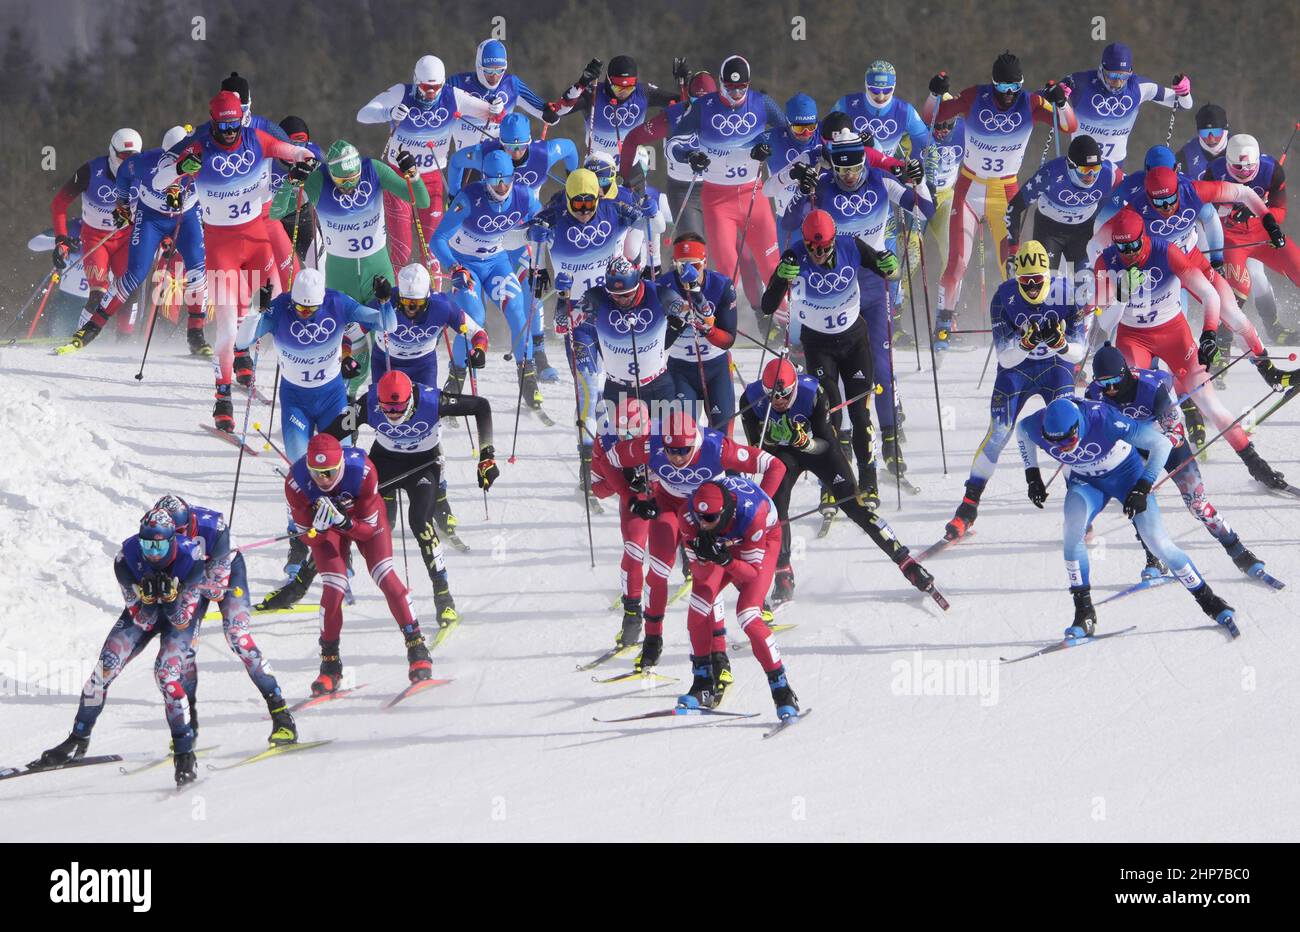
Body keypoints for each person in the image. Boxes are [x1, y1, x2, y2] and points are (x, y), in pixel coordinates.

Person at [1093, 208, 1290, 488]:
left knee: (1210, 403)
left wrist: (1209, 333)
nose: (1129, 252)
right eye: (1121, 246)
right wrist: (1122, 293)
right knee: (1131, 404)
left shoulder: (1166, 251)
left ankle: (1256, 465)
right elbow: (1106, 321)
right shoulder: (1107, 261)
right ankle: (1132, 468)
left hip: (1174, 334)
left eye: (1134, 244)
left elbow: (1210, 294)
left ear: (1144, 238)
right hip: (1132, 337)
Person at [234, 267, 397, 604]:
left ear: (322, 300)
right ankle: (298, 549)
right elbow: (241, 341)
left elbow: (388, 326)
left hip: (332, 399)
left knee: (345, 474)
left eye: (311, 309)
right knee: (300, 476)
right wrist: (258, 311)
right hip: (295, 402)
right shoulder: (280, 308)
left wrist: (384, 301)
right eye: (300, 308)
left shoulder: (338, 303)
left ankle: (345, 553)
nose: (305, 314)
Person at [152, 92, 313, 429]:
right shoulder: (199, 148)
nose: (228, 131)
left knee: (279, 306)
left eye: (233, 123)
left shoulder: (255, 139)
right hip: (222, 250)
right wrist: (181, 168)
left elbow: (293, 150)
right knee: (226, 325)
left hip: (258, 244)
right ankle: (222, 399)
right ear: (213, 121)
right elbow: (158, 179)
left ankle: (284, 377)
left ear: (242, 118)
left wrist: (304, 161)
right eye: (222, 124)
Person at [1016, 397, 1239, 638]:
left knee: (1157, 541)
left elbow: (1161, 444)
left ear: (1078, 426)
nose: (1064, 448)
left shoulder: (1103, 419)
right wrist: (1032, 476)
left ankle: (1210, 601)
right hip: (1086, 483)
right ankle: (1084, 613)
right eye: (1054, 444)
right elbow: (1021, 431)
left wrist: (1143, 485)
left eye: (1069, 440)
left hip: (1127, 477)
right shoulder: (1036, 425)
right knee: (1072, 535)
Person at [29, 509, 210, 786]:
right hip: (145, 611)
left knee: (166, 676)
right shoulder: (126, 558)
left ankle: (185, 752)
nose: (152, 552)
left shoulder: (191, 558)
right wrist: (149, 600)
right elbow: (142, 619)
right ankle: (79, 737)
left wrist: (172, 599)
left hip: (180, 618)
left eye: (159, 545)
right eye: (147, 544)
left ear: (173, 540)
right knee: (101, 674)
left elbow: (182, 619)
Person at [604, 408, 786, 678]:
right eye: (671, 451)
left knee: (708, 581)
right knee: (658, 571)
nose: (677, 458)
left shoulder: (718, 447)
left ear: (696, 442)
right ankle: (653, 641)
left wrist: (760, 505)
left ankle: (719, 655)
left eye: (684, 451)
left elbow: (775, 466)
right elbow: (610, 459)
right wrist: (631, 498)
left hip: (710, 517)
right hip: (671, 507)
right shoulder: (650, 443)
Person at [741, 357, 937, 605]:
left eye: (784, 395)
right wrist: (770, 439)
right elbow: (755, 450)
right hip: (783, 456)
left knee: (854, 506)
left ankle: (905, 560)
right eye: (772, 397)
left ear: (794, 389)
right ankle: (783, 573)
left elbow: (826, 442)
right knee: (773, 507)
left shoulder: (813, 393)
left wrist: (805, 442)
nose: (778, 402)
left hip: (819, 451)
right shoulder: (750, 398)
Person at [318, 369, 498, 632]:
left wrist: (487, 456)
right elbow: (328, 436)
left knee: (420, 523)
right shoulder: (369, 403)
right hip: (384, 461)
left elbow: (481, 406)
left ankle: (443, 597)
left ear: (410, 402)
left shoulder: (433, 401)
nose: (391, 415)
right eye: (386, 410)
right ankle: (335, 575)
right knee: (367, 521)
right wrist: (317, 463)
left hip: (424, 465)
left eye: (397, 410)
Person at [923, 52, 1078, 346]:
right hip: (969, 190)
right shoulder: (974, 97)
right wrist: (935, 94)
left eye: (1014, 87)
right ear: (992, 83)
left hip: (1005, 194)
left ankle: (1021, 323)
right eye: (1002, 87)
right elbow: (932, 116)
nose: (1008, 95)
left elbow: (1069, 127)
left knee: (1013, 265)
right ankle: (943, 323)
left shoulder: (1030, 103)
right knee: (957, 263)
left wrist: (1061, 102)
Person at [1085, 346, 1272, 581]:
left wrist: (1154, 460)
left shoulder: (1153, 387)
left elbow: (1173, 430)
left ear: (1125, 372)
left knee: (1197, 505)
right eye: (1103, 382)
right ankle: (1154, 559)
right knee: (1137, 504)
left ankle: (1239, 552)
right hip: (1132, 448)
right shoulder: (1094, 393)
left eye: (1114, 380)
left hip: (1168, 443)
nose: (1110, 388)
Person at [943, 241, 1087, 540]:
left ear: (1048, 276)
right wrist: (1026, 344)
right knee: (998, 433)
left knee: (1068, 434)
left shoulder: (1066, 293)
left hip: (1054, 369)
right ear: (1016, 277)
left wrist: (1059, 344)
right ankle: (967, 508)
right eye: (1026, 281)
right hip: (1016, 371)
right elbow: (1004, 356)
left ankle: (1082, 510)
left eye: (1038, 280)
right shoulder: (1004, 296)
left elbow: (1079, 352)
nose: (1033, 287)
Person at [268, 138, 428, 400]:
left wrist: (412, 173)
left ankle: (397, 401)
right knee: (351, 351)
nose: (350, 188)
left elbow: (419, 199)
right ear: (331, 173)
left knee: (389, 339)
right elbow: (277, 212)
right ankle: (347, 406)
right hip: (342, 279)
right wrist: (291, 182)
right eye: (342, 182)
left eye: (354, 179)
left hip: (378, 273)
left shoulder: (374, 169)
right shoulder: (319, 180)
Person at [761, 210, 900, 505]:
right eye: (813, 247)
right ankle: (832, 482)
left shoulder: (850, 245)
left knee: (860, 414)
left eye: (824, 247)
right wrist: (778, 280)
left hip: (854, 342)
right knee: (830, 414)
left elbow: (886, 269)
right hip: (819, 347)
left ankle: (868, 480)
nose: (819, 253)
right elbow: (766, 305)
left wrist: (892, 266)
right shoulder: (794, 257)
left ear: (834, 240)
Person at [285, 434, 436, 694]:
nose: (323, 479)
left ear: (341, 465)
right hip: (328, 529)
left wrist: (346, 523)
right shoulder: (296, 482)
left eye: (329, 472)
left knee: (384, 574)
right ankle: (330, 665)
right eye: (317, 473)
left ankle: (417, 646)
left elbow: (366, 532)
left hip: (364, 523)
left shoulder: (362, 470)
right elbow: (307, 539)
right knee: (334, 588)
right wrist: (318, 529)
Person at [151, 495, 296, 744]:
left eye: (180, 533)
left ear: (188, 525)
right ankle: (187, 729)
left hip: (224, 573)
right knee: (183, 648)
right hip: (189, 577)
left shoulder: (213, 528)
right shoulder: (156, 532)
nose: (178, 541)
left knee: (237, 636)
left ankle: (281, 715)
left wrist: (188, 581)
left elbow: (216, 589)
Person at [356, 54, 503, 269]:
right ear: (416, 82)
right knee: (402, 248)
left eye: (436, 87)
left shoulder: (453, 96)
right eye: (425, 87)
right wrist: (388, 113)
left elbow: (491, 113)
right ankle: (401, 296)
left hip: (432, 177)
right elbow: (363, 114)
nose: (431, 94)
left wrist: (496, 108)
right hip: (399, 178)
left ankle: (434, 296)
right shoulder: (401, 93)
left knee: (433, 247)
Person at [667, 55, 789, 310]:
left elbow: (787, 134)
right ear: (721, 83)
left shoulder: (762, 103)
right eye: (729, 88)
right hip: (717, 200)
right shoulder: (703, 107)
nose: (735, 94)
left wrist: (765, 145)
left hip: (753, 195)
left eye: (741, 88)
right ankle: (725, 327)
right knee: (726, 270)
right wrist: (690, 155)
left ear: (749, 84)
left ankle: (789, 328)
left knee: (772, 266)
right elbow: (673, 145)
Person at [678, 478, 800, 720]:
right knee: (699, 606)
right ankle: (703, 684)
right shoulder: (688, 516)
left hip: (762, 539)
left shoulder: (751, 514)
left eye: (710, 519)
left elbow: (751, 573)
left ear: (722, 512)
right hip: (727, 544)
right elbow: (701, 577)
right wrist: (703, 554)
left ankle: (783, 691)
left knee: (748, 615)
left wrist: (725, 560)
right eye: (699, 517)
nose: (703, 523)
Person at [431, 149, 544, 404]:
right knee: (474, 316)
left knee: (517, 310)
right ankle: (456, 377)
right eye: (494, 181)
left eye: (506, 179)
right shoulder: (469, 198)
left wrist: (542, 231)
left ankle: (528, 377)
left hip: (496, 263)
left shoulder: (523, 196)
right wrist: (453, 267)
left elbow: (545, 220)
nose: (502, 187)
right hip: (465, 265)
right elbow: (436, 240)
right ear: (485, 179)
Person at [50, 129, 142, 348]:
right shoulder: (90, 171)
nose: (128, 162)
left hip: (125, 239)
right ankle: (79, 338)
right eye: (123, 156)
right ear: (112, 152)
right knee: (98, 294)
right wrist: (61, 240)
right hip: (95, 239)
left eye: (134, 157)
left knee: (129, 289)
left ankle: (124, 341)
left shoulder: (144, 171)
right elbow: (58, 204)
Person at [1204, 134, 1300, 343]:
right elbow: (1204, 210)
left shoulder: (1271, 170)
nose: (1245, 173)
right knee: (1239, 287)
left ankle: (1273, 328)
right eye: (1238, 168)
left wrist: (1257, 211)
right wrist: (1227, 209)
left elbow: (1280, 211)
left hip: (1262, 233)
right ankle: (1222, 342)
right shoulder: (1214, 171)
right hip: (1231, 238)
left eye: (1249, 167)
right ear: (1228, 162)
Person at [1005, 134, 1121, 271]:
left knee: (1086, 285)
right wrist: (1013, 252)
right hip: (1049, 231)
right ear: (1071, 165)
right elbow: (1014, 207)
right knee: (1049, 285)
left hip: (1083, 232)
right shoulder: (1051, 174)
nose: (1090, 176)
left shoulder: (1110, 174)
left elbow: (1136, 192)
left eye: (1095, 169)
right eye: (1084, 170)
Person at [1065, 42, 1192, 167]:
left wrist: (1184, 93)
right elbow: (1047, 100)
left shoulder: (1139, 87)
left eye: (1123, 76)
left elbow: (1184, 105)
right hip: (1079, 164)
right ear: (1101, 69)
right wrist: (1057, 96)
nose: (1118, 82)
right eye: (1113, 75)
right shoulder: (1079, 83)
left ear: (1130, 72)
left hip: (1115, 167)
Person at [658, 233, 738, 428]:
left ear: (705, 261)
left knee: (721, 434)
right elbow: (659, 345)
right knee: (683, 433)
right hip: (680, 368)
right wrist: (676, 325)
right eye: (681, 266)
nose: (688, 273)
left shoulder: (721, 285)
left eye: (694, 266)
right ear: (674, 263)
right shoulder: (662, 287)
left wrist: (709, 330)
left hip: (716, 366)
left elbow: (728, 339)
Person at [551, 55, 685, 159]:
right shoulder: (592, 94)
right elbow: (557, 111)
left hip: (631, 160)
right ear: (608, 81)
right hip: (597, 161)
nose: (623, 93)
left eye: (629, 88)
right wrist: (583, 82)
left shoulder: (643, 93)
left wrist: (684, 84)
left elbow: (684, 104)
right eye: (618, 88)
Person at [447, 38, 554, 152]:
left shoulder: (511, 84)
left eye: (500, 70)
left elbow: (546, 112)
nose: (494, 76)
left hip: (499, 159)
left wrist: (552, 113)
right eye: (488, 71)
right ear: (479, 66)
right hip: (466, 158)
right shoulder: (457, 83)